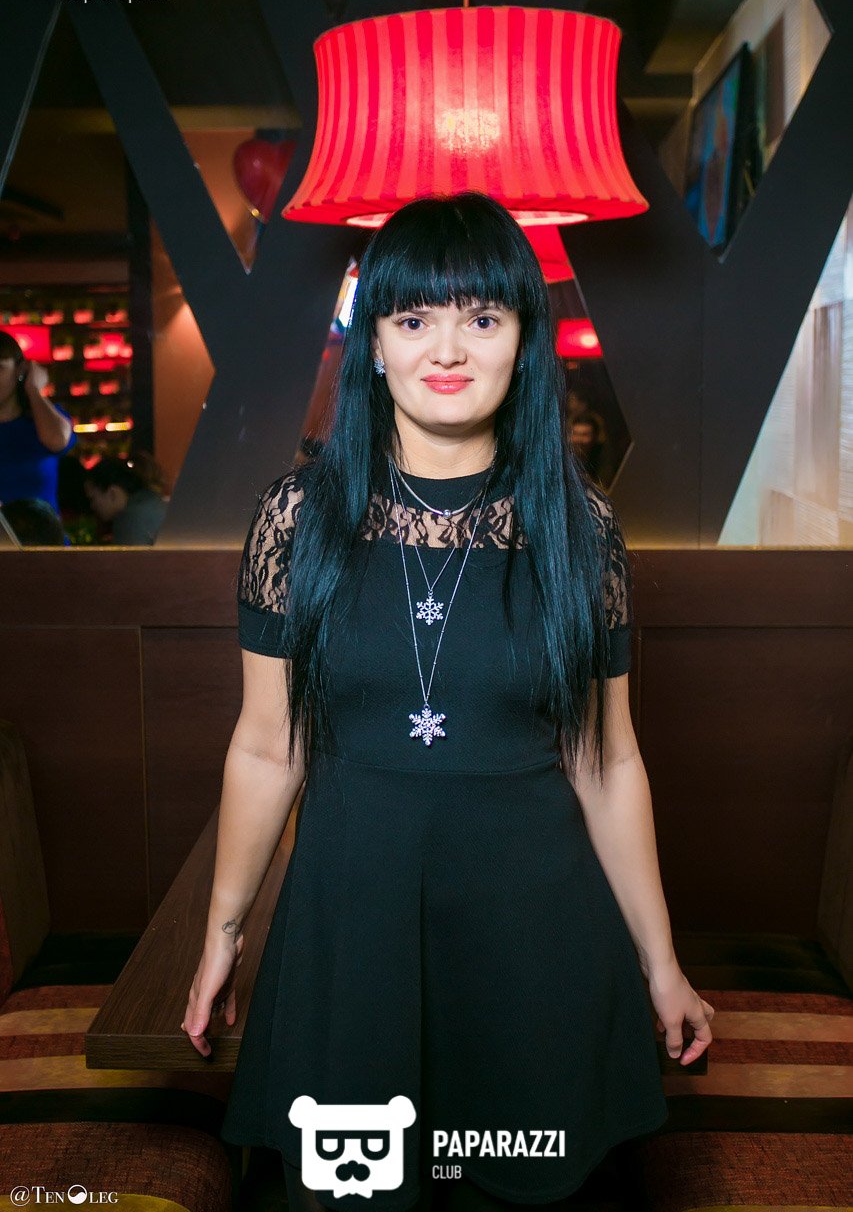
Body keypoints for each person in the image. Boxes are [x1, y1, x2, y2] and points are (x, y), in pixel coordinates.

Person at [182, 192, 714, 1212]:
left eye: (482, 316)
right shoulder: (295, 519)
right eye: (414, 317)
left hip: (536, 939)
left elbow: (607, 760)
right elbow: (265, 747)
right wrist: (224, 932)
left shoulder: (580, 526)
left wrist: (661, 964)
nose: (447, 349)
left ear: (523, 340)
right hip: (349, 927)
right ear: (375, 343)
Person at [0, 331, 77, 515]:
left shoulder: (40, 418)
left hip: (41, 530)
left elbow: (58, 440)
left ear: (20, 370)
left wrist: (34, 390)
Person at [83, 455, 168, 545]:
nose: (92, 506)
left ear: (112, 493)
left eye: (92, 499)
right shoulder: (158, 504)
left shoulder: (128, 521)